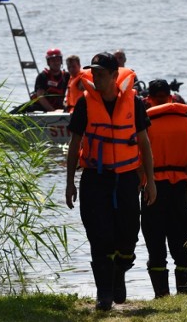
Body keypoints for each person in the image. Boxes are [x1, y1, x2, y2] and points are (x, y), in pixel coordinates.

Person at [65, 52, 157, 311]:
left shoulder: (134, 102)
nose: (96, 77)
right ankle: (104, 293)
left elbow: (144, 143)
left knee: (128, 236)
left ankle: (119, 272)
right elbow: (74, 145)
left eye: (102, 73)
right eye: (93, 73)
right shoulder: (85, 103)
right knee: (99, 235)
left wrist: (150, 181)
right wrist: (70, 182)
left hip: (127, 178)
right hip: (95, 177)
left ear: (115, 76)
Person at [141, 79, 187, 298]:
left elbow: (139, 162)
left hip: (153, 189)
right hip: (180, 189)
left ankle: (161, 295)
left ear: (149, 99)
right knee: (181, 245)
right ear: (171, 96)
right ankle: (184, 293)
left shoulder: (147, 124)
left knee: (156, 246)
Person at [12, 48, 70, 113]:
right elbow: (40, 97)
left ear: (61, 61)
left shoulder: (66, 76)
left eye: (57, 60)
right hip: (41, 107)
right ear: (48, 62)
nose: (56, 63)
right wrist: (53, 111)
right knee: (20, 110)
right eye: (53, 60)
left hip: (58, 107)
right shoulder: (43, 76)